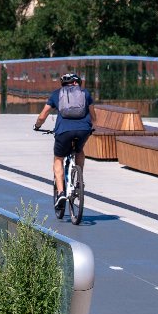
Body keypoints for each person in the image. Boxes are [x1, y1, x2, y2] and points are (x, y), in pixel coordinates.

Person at [33, 72, 92, 215]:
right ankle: (79, 180)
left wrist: (37, 126)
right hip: (84, 129)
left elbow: (43, 115)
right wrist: (92, 126)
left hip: (63, 131)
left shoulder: (56, 94)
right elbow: (93, 114)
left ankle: (60, 193)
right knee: (79, 150)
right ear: (77, 83)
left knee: (58, 159)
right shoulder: (85, 93)